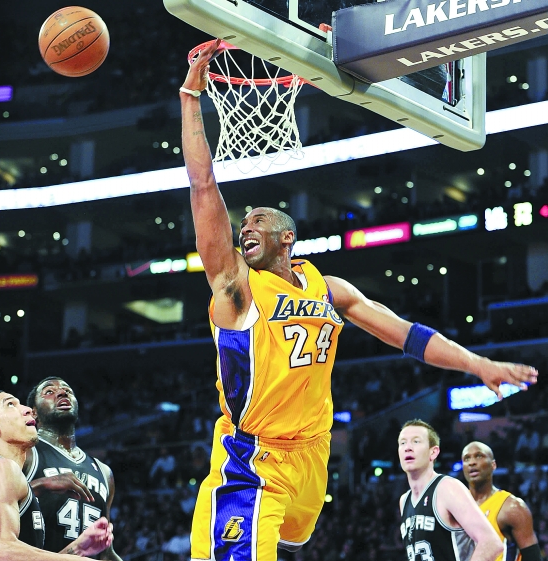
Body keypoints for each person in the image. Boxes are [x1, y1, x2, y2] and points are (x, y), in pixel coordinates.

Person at [179, 39, 539, 561]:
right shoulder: (236, 286)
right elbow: (202, 187)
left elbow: (409, 336)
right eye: (244, 223)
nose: (246, 227)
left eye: (259, 220)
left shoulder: (330, 289)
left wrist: (477, 364)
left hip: (314, 452)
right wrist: (191, 99)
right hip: (253, 455)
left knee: (292, 543)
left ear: (287, 237)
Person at [0, 389, 113, 560]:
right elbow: (3, 551)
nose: (27, 409)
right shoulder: (3, 468)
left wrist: (76, 549)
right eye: (10, 404)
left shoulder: (13, 477)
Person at [23, 377, 123, 561]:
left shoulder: (104, 472)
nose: (62, 393)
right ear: (34, 412)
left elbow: (105, 552)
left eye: (67, 391)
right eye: (49, 392)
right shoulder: (25, 452)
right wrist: (41, 484)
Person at [399, 419, 503, 561]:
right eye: (403, 443)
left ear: (433, 452)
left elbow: (491, 543)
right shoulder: (404, 500)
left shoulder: (447, 488)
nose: (407, 448)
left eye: (416, 441)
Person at [461, 441, 541, 561]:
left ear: (493, 465)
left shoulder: (512, 507)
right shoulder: (455, 505)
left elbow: (533, 557)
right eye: (467, 458)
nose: (472, 462)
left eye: (479, 456)